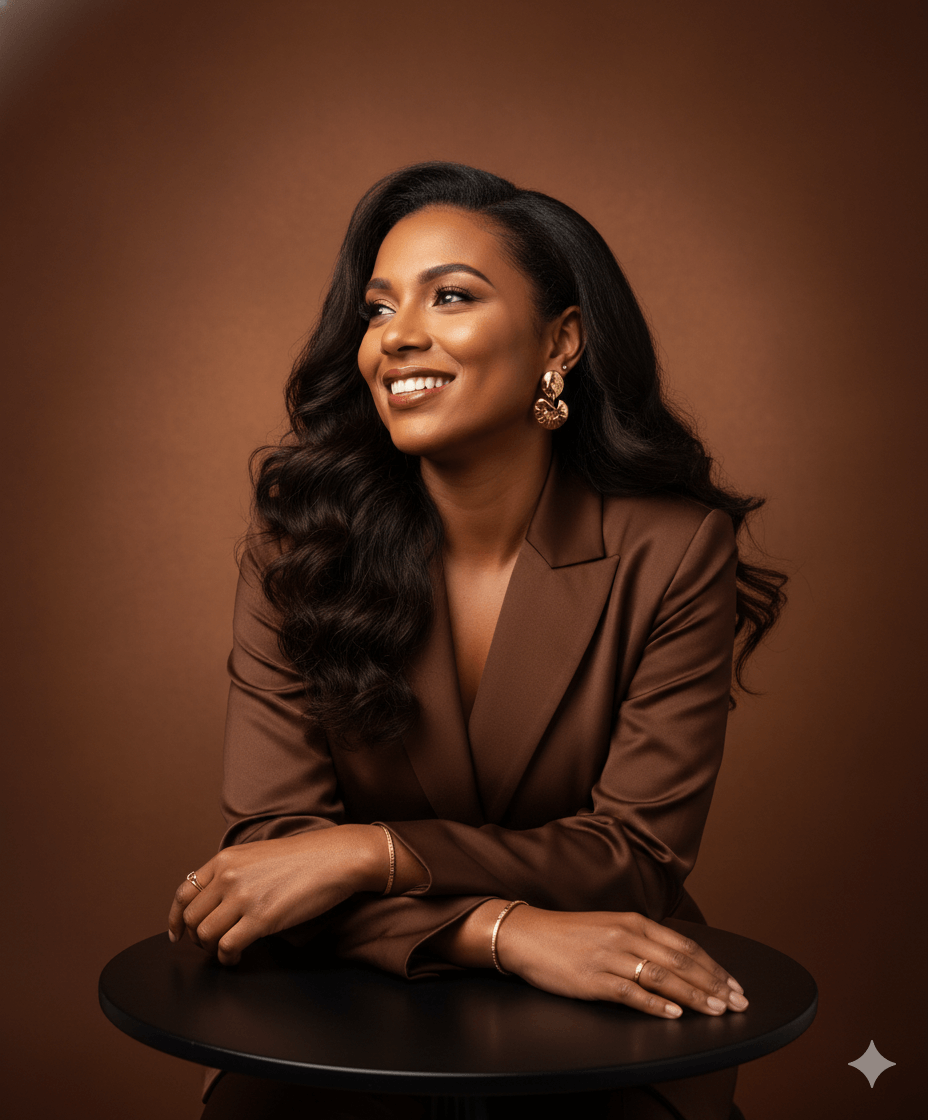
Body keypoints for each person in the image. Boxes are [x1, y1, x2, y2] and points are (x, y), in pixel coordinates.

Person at [168, 162, 785, 1119]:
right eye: (377, 310)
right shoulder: (296, 549)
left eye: (451, 296)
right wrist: (502, 931)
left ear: (561, 341)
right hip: (338, 1009)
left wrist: (370, 853)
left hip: (604, 1021)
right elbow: (274, 854)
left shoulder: (672, 548)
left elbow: (633, 858)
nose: (397, 336)